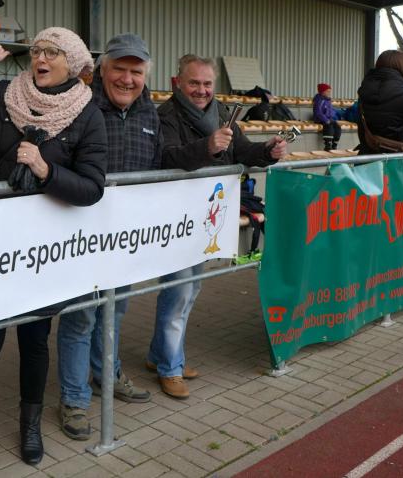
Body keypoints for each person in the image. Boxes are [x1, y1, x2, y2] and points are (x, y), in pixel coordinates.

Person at [0, 27, 107, 475]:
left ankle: (29, 425)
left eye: (52, 52)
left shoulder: (88, 114)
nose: (41, 59)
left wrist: (45, 170)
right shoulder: (5, 96)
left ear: (73, 63)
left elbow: (92, 187)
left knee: (35, 339)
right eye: (36, 51)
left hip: (44, 247)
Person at [150, 55, 287, 399]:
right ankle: (170, 367)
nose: (202, 90)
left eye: (207, 83)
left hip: (206, 216)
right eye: (194, 83)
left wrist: (268, 151)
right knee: (179, 291)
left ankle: (161, 354)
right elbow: (167, 159)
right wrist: (207, 148)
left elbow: (242, 151)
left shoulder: (222, 113)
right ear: (177, 83)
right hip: (177, 218)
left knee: (190, 289)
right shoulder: (165, 115)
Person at [56, 33, 160, 441]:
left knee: (114, 311)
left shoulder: (150, 113)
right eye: (119, 68)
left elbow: (161, 165)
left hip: (124, 240)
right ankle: (74, 398)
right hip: (81, 237)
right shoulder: (78, 106)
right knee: (81, 317)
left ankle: (107, 375)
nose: (127, 79)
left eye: (136, 72)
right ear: (102, 70)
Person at [313, 83, 341, 151]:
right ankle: (328, 145)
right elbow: (318, 112)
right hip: (320, 119)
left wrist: (332, 116)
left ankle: (334, 144)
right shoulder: (319, 100)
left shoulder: (327, 100)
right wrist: (326, 120)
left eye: (329, 91)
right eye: (327, 91)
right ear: (322, 92)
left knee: (337, 126)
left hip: (328, 118)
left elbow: (331, 110)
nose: (329, 93)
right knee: (329, 125)